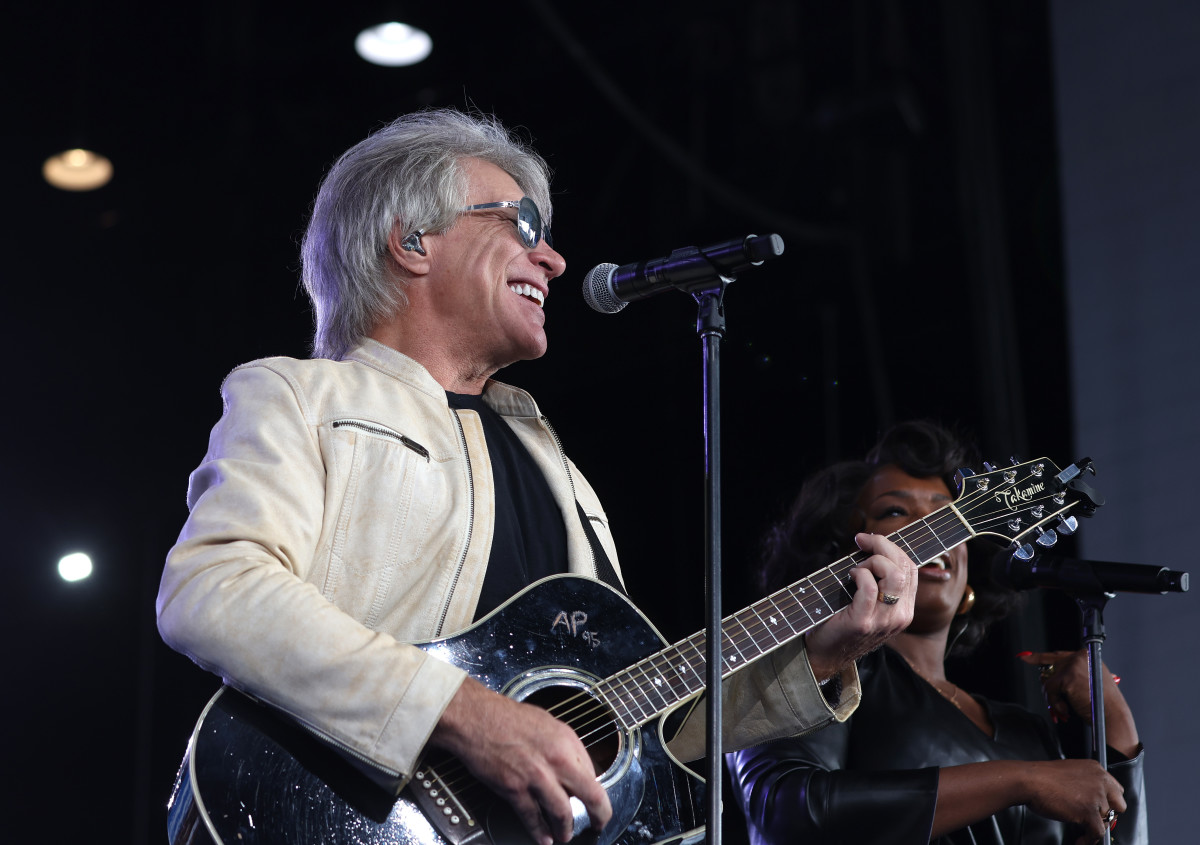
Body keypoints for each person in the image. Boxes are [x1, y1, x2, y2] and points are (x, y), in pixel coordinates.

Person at [155, 108, 921, 845]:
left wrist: (819, 655)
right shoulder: (300, 396)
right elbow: (213, 588)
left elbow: (633, 715)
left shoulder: (556, 462)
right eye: (522, 227)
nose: (553, 258)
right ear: (413, 240)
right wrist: (460, 712)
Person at [727, 420, 1147, 845]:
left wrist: (1116, 725)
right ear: (840, 553)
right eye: (895, 512)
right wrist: (1021, 781)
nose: (932, 533)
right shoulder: (816, 672)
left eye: (948, 518)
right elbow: (786, 815)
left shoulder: (1026, 731)